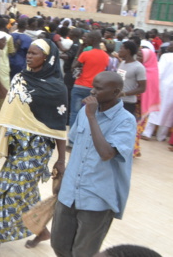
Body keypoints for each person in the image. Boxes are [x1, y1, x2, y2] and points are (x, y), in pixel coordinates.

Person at [0, 39, 68, 256]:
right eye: (28, 52)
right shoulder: (21, 78)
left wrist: (61, 159)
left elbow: (58, 126)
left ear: (46, 59)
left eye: (35, 54)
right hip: (16, 145)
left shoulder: (57, 88)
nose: (29, 56)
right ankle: (41, 230)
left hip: (37, 151)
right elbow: (10, 111)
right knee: (23, 191)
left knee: (9, 191)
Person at [51, 72, 137, 257]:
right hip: (70, 193)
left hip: (97, 197)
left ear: (115, 92)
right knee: (59, 245)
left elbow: (106, 153)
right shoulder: (85, 111)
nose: (92, 91)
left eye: (98, 88)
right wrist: (64, 179)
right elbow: (74, 145)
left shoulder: (126, 121)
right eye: (93, 86)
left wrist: (92, 117)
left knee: (84, 252)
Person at [70, 31, 109, 134]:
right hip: (95, 89)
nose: (85, 40)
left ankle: (72, 140)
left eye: (87, 38)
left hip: (80, 86)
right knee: (91, 115)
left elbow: (73, 66)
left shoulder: (85, 54)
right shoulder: (106, 56)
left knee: (75, 113)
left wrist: (80, 49)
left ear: (92, 40)